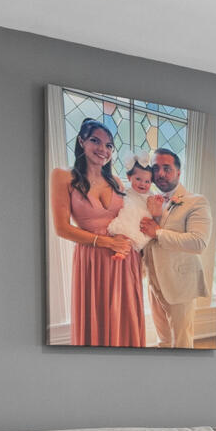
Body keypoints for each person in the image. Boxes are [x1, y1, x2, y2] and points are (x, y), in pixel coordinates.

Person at [49, 117, 147, 348]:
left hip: (124, 258)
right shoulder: (63, 176)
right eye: (96, 141)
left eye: (109, 145)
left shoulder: (115, 181)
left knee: (126, 317)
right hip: (93, 258)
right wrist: (105, 242)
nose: (103, 149)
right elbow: (62, 228)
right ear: (82, 142)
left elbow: (130, 217)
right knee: (97, 318)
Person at [139, 146, 215, 348]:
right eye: (155, 168)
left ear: (178, 172)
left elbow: (198, 242)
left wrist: (157, 232)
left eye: (167, 168)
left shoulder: (196, 202)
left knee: (181, 344)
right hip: (153, 284)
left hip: (180, 285)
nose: (160, 174)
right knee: (163, 341)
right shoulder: (148, 201)